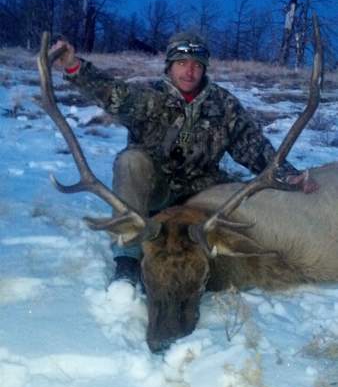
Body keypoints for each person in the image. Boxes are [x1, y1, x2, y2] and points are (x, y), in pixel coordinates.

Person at [51, 32, 318, 286]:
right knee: (131, 161)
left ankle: (232, 260)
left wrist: (286, 174)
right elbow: (110, 93)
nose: (189, 71)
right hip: (156, 192)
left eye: (196, 65)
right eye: (181, 63)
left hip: (204, 192)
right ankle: (127, 260)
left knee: (249, 196)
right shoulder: (147, 97)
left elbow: (254, 147)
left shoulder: (224, 105)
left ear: (204, 69)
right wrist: (74, 66)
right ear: (169, 66)